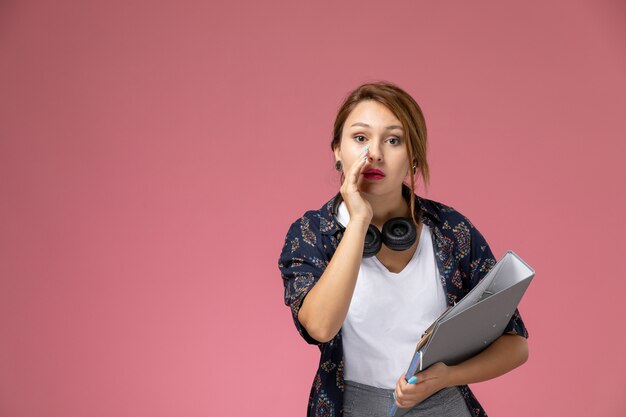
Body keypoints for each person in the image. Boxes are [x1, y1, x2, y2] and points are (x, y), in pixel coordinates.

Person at [277, 81, 529, 417]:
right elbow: (320, 326)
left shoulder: (452, 230)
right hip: (353, 407)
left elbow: (516, 345)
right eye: (360, 138)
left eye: (393, 140)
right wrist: (358, 221)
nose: (375, 153)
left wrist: (447, 376)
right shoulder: (312, 233)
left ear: (413, 157)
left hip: (444, 404)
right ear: (337, 150)